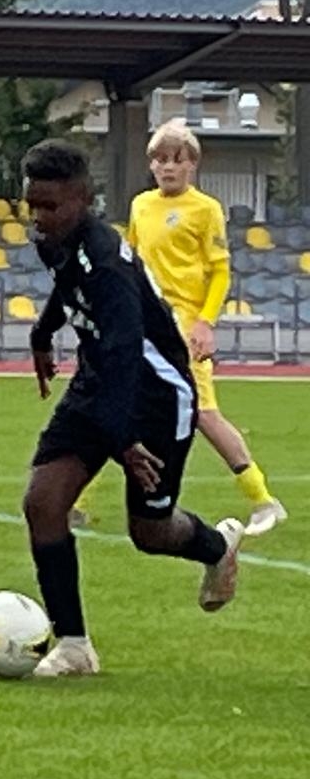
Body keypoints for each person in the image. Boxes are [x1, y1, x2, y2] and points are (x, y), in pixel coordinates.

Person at [20, 140, 244, 678]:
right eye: (32, 205)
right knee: (42, 502)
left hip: (156, 396)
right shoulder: (55, 242)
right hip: (99, 382)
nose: (39, 218)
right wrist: (42, 334)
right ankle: (74, 645)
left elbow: (126, 353)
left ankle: (217, 545)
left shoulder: (107, 266)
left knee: (150, 532)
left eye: (50, 206)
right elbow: (66, 289)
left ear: (82, 200)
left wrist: (122, 438)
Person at [125, 119, 284, 536]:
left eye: (176, 160)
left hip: (183, 330)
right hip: (143, 325)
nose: (167, 168)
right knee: (115, 401)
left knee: (203, 414)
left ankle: (262, 499)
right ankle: (76, 504)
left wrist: (205, 322)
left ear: (191, 165)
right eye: (160, 160)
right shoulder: (141, 205)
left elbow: (220, 270)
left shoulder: (205, 209)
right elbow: (133, 264)